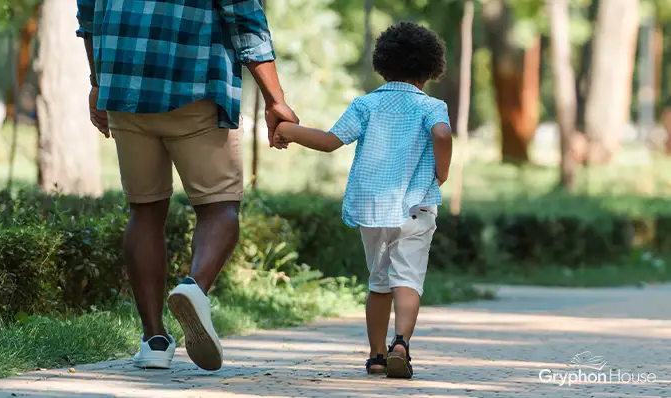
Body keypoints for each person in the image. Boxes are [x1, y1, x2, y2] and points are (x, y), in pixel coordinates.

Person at [75, 0, 298, 371]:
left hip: (125, 86)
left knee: (144, 210)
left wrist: (98, 83)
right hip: (196, 86)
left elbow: (89, 14)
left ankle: (154, 341)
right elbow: (246, 21)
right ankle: (194, 288)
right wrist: (276, 101)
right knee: (219, 205)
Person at [272, 22, 453, 379]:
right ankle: (401, 343)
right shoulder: (432, 106)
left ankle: (375, 355)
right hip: (415, 207)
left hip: (372, 209)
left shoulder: (367, 104)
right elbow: (443, 133)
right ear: (431, 68)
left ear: (382, 63)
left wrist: (286, 131)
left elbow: (328, 141)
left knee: (379, 282)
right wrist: (442, 172)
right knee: (408, 280)